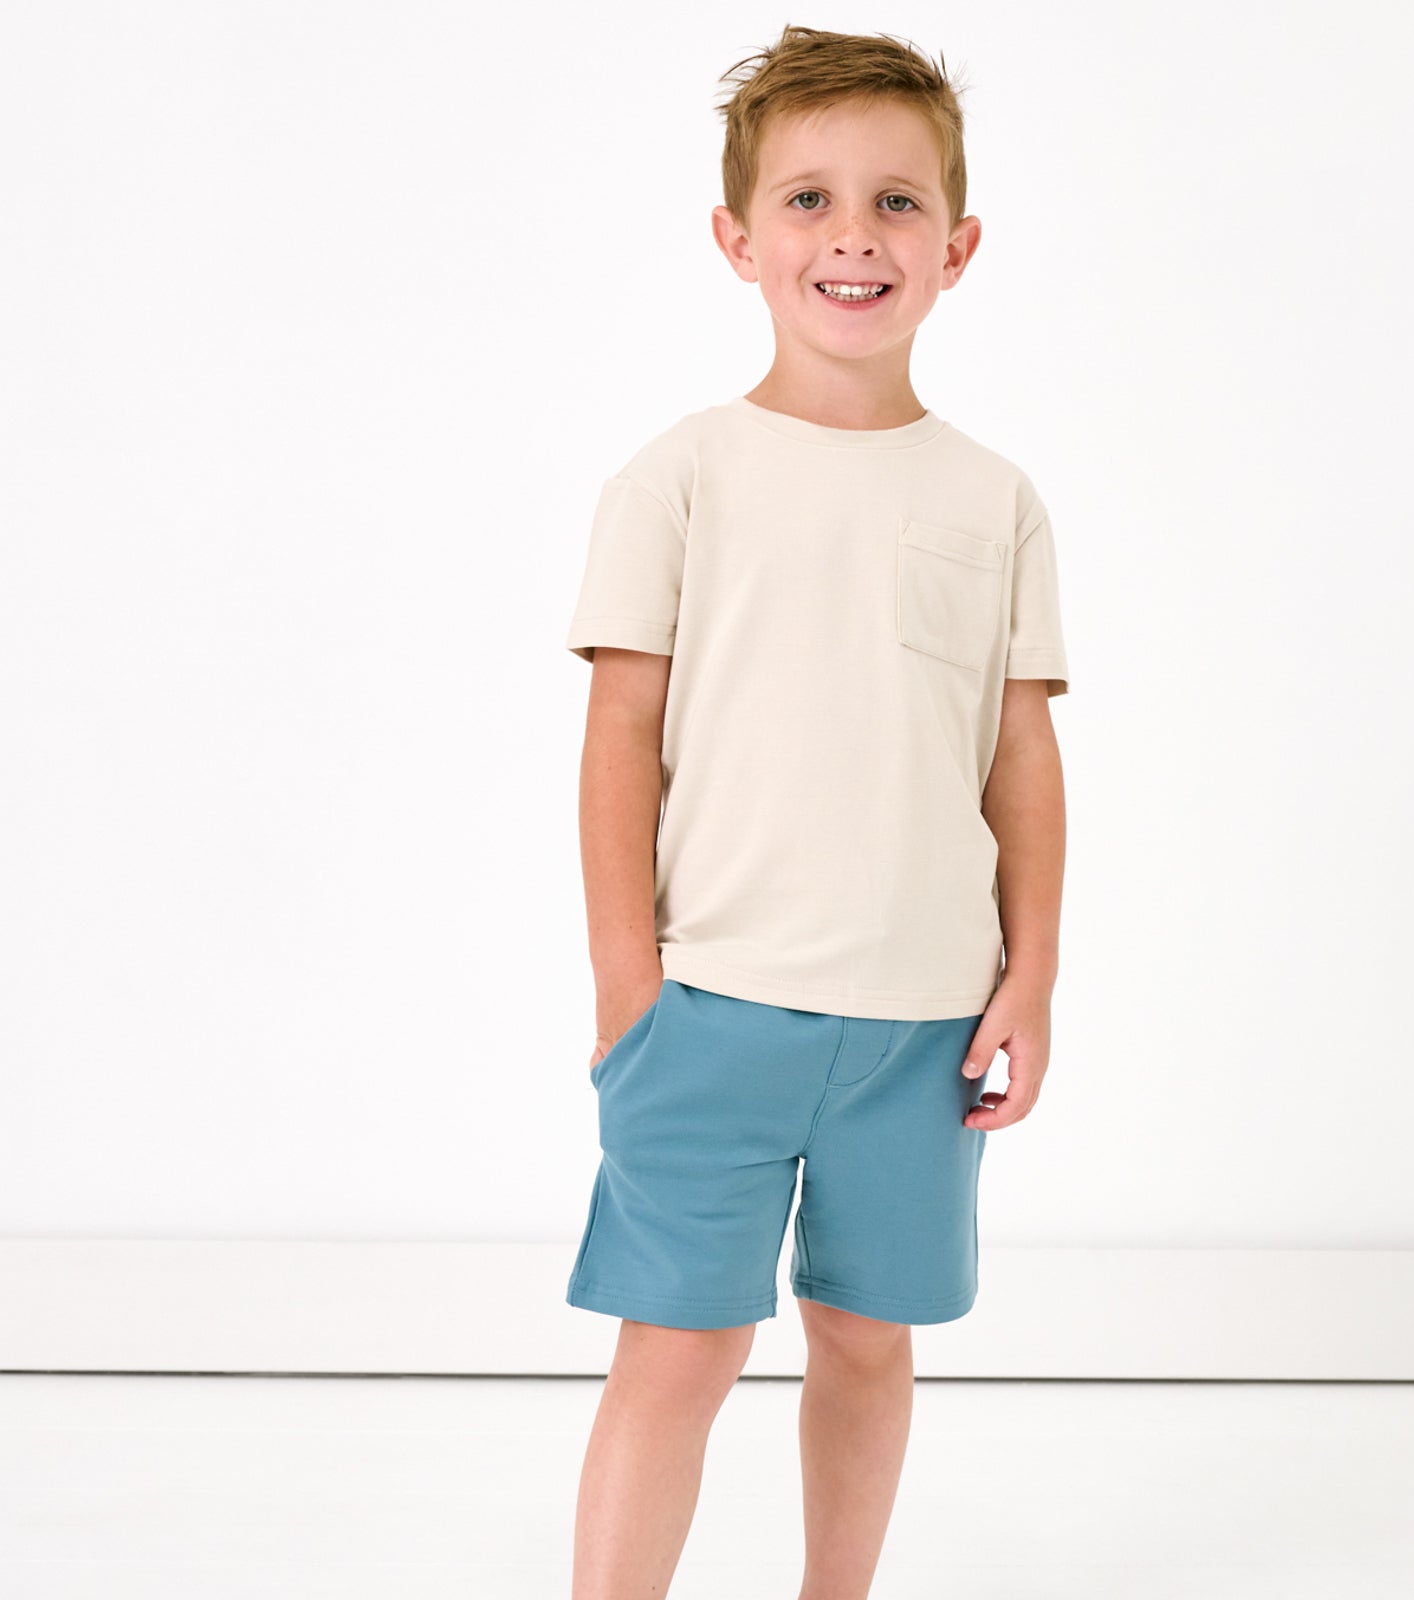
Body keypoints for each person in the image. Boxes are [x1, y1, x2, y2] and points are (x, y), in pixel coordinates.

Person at [561, 23, 1069, 1598]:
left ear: (957, 248)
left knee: (866, 1337)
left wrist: (1033, 974)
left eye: (897, 202)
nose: (855, 235)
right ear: (738, 239)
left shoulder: (993, 498)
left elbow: (1020, 751)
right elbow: (619, 734)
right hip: (710, 1007)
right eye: (809, 200)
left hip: (923, 1025)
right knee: (678, 1347)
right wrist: (628, 990)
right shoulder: (681, 475)